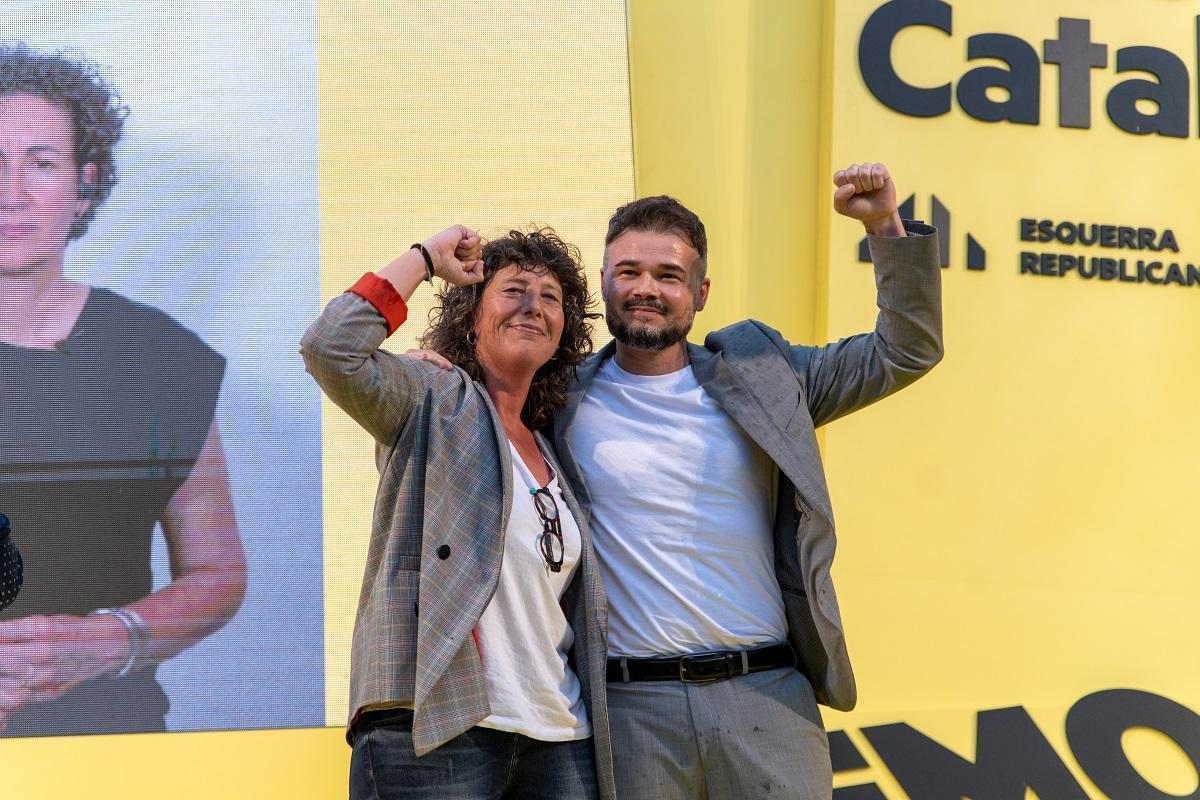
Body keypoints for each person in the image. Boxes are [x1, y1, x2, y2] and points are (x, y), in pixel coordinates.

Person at [550, 163, 943, 798]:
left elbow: (906, 351)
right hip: (628, 712)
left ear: (701, 294)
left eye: (668, 276)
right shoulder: (554, 398)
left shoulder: (766, 376)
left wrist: (882, 226)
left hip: (767, 699)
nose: (646, 288)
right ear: (603, 283)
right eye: (629, 272)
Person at [300, 225, 614, 800]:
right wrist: (423, 258)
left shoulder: (555, 445)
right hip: (436, 723)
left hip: (559, 732)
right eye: (514, 289)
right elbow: (330, 347)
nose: (533, 306)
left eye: (550, 297)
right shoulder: (433, 396)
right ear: (471, 317)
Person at [0, 44, 245, 736]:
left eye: (40, 162)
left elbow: (217, 572)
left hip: (107, 744)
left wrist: (107, 640)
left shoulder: (158, 357)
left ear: (85, 181)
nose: (10, 191)